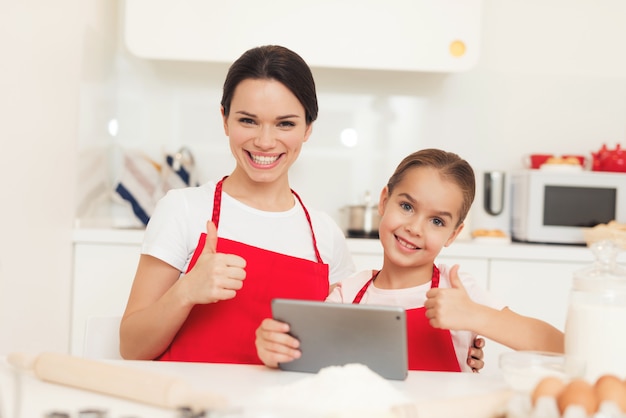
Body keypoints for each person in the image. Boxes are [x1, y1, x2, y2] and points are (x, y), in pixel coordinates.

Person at [119, 45, 486, 369]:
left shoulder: (324, 235)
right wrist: (185, 293)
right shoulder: (183, 210)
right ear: (225, 119)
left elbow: (346, 351)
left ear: (308, 128)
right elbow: (132, 347)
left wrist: (458, 344)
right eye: (248, 120)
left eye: (285, 124)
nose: (265, 141)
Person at [256, 148, 564, 372]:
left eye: (437, 222)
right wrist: (275, 353)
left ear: (454, 235)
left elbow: (559, 347)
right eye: (406, 206)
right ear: (384, 201)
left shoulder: (459, 291)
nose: (414, 228)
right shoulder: (348, 294)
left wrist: (476, 316)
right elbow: (310, 366)